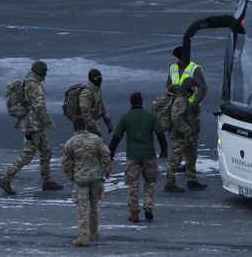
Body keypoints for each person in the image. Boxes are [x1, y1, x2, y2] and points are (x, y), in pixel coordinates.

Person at [0, 60, 63, 194]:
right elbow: (40, 108)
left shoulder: (29, 81)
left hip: (36, 125)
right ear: (40, 72)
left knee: (46, 152)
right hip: (33, 127)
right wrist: (49, 122)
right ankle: (5, 179)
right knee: (27, 156)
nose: (46, 74)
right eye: (45, 71)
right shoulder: (34, 85)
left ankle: (47, 181)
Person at [108, 91, 168, 222]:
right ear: (141, 102)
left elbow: (117, 136)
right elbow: (160, 133)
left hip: (133, 156)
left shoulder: (126, 117)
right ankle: (148, 207)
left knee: (133, 185)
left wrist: (111, 151)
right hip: (148, 155)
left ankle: (134, 214)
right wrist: (164, 149)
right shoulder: (150, 116)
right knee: (150, 182)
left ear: (131, 102)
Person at [61, 115, 112, 247]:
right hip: (96, 178)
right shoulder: (96, 140)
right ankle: (93, 232)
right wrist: (107, 171)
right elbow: (106, 155)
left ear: (74, 127)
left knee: (81, 208)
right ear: (86, 126)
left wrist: (71, 176)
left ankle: (83, 236)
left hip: (80, 179)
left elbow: (65, 163)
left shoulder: (70, 143)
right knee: (94, 207)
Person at [166, 46, 207, 177]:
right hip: (178, 108)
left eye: (176, 56)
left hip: (192, 111)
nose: (173, 58)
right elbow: (168, 87)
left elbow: (202, 88)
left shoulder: (195, 69)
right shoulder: (173, 68)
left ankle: (190, 166)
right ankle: (186, 165)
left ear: (182, 57)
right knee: (180, 136)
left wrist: (194, 104)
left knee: (192, 138)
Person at [163, 84, 205, 192]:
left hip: (184, 133)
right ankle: (169, 184)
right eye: (193, 87)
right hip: (180, 134)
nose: (195, 90)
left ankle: (192, 180)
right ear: (189, 88)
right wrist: (186, 129)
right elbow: (175, 117)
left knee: (192, 153)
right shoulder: (181, 101)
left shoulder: (180, 99)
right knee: (175, 158)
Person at [78, 68, 113, 137]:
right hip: (88, 127)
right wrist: (93, 127)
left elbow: (101, 106)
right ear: (93, 79)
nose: (100, 80)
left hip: (96, 123)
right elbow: (85, 112)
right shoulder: (86, 94)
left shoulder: (97, 90)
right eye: (98, 78)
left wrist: (107, 120)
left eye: (101, 78)